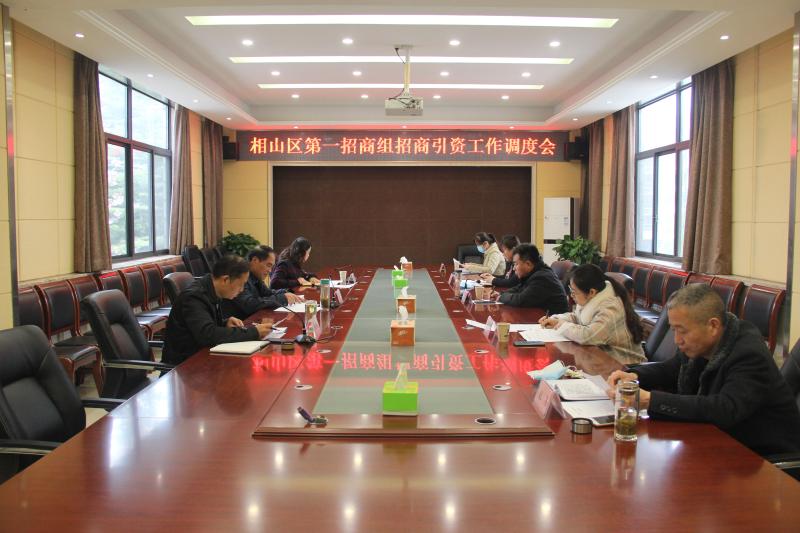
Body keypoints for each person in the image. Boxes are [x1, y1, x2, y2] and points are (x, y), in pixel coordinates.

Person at [607, 283, 800, 456]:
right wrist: (633, 376)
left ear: (713, 326)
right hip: (720, 444)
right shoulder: (702, 344)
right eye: (674, 330)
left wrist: (650, 400)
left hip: (763, 458)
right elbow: (672, 369)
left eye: (682, 331)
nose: (677, 340)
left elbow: (725, 409)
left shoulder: (749, 354)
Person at [163, 255, 272, 365]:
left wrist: (224, 323)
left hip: (204, 356)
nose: (242, 290)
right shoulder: (194, 297)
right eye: (241, 284)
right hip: (185, 365)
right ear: (225, 280)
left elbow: (201, 324)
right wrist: (254, 332)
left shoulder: (211, 289)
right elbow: (207, 335)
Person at [540, 263, 646, 364]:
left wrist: (561, 325)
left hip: (624, 365)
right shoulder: (592, 298)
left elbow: (589, 336)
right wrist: (556, 319)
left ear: (591, 292)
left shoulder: (610, 308)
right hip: (600, 359)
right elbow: (577, 317)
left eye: (574, 292)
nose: (571, 295)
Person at [221, 245, 304, 320]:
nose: (270, 271)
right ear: (255, 260)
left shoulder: (255, 276)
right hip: (239, 324)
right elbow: (249, 305)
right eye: (268, 265)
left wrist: (286, 293)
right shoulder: (241, 275)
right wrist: (282, 298)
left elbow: (267, 293)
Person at [490, 243, 568, 313]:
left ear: (528, 264)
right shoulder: (534, 273)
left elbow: (521, 300)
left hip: (553, 321)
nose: (514, 268)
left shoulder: (542, 278)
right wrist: (501, 293)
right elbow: (519, 288)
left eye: (516, 264)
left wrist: (501, 297)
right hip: (539, 315)